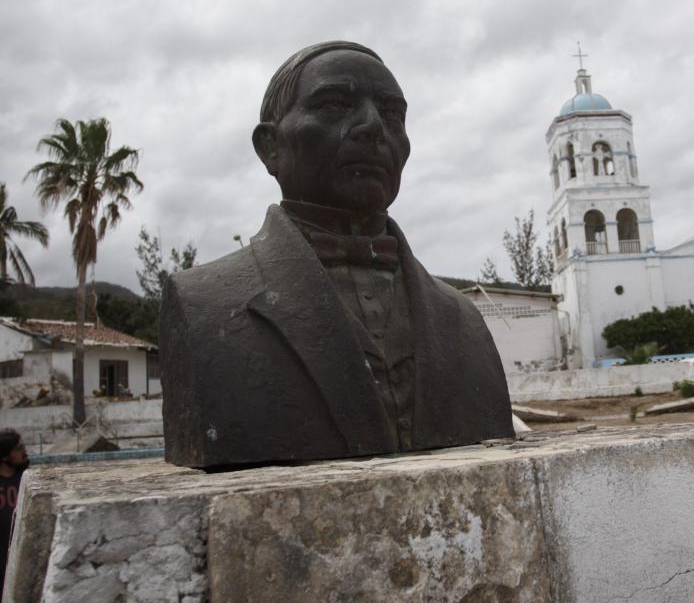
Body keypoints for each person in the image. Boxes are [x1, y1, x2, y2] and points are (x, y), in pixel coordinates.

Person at [160, 42, 514, 469]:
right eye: (332, 106)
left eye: (392, 114)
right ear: (269, 147)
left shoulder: (463, 319)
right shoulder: (203, 303)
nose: (372, 127)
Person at [0, 429, 28, 594]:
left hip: (22, 557)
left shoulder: (28, 480)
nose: (24, 451)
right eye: (18, 449)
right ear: (4, 456)